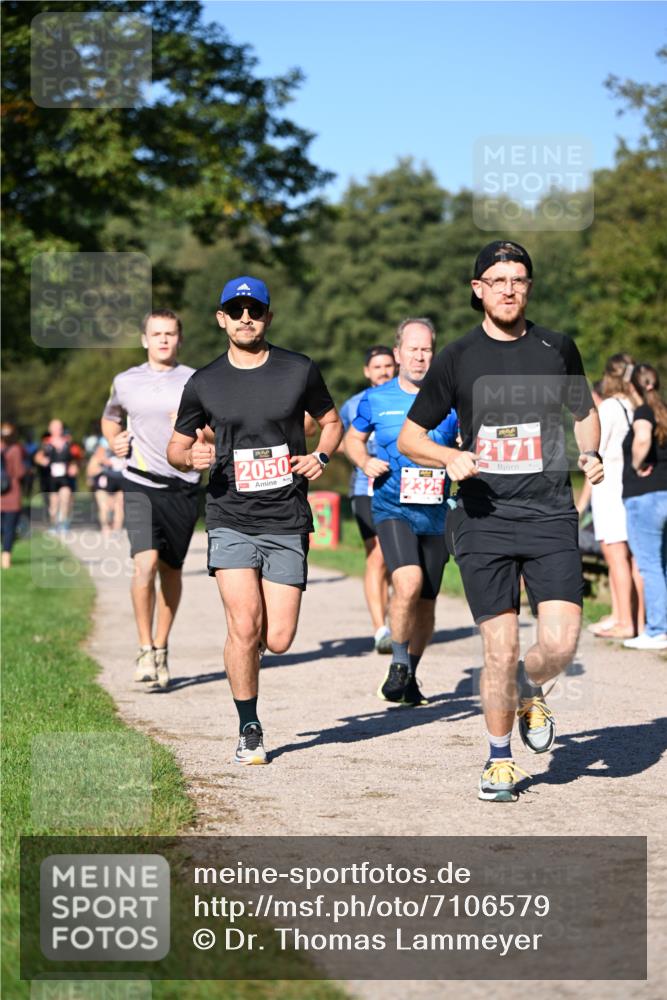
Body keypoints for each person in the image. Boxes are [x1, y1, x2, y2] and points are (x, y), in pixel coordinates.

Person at [398, 240, 604, 803]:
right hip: (483, 517)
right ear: (478, 289)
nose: (509, 288)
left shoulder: (557, 347)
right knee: (500, 646)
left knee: (560, 643)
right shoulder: (457, 358)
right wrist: (448, 457)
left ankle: (527, 689)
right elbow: (410, 437)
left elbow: (585, 413)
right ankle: (498, 761)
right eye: (498, 279)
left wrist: (590, 455)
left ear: (528, 288)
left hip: (549, 514)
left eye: (519, 279)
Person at [167, 275, 343, 765]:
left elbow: (331, 422)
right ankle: (249, 724)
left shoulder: (299, 370)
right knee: (243, 626)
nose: (246, 318)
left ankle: (251, 655)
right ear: (222, 318)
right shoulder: (203, 382)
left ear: (269, 316)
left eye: (255, 309)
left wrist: (322, 458)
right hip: (229, 515)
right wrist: (192, 458)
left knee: (278, 639)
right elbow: (176, 447)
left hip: (287, 516)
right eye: (236, 310)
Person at [345, 318, 458, 707]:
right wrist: (364, 461)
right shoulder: (376, 399)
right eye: (412, 349)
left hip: (436, 513)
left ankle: (409, 672)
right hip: (392, 506)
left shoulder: (451, 399)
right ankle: (396, 664)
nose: (420, 356)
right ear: (398, 354)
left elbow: (466, 441)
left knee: (426, 603)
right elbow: (352, 440)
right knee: (406, 582)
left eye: (426, 349)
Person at [101, 309, 200, 690]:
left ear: (179, 339)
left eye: (170, 334)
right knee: (144, 565)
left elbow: (212, 433)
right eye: (156, 333)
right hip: (139, 482)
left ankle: (161, 647)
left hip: (183, 485)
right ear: (144, 339)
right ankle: (143, 648)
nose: (163, 339)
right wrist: (114, 439)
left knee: (171, 571)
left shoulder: (196, 380)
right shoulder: (125, 381)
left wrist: (194, 430)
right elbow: (111, 417)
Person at [339, 345, 397, 653]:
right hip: (366, 487)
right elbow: (338, 443)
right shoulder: (353, 405)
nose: (384, 371)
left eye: (388, 365)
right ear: (367, 371)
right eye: (377, 367)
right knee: (377, 554)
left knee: (396, 560)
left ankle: (399, 619)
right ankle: (381, 629)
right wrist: (361, 455)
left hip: (404, 487)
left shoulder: (407, 399)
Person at [589, 354, 643, 639]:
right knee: (636, 558)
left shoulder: (609, 407)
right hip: (633, 486)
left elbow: (596, 446)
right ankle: (635, 619)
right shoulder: (639, 405)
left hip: (609, 487)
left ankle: (625, 621)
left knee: (616, 555)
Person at [621, 363, 667, 651]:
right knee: (662, 565)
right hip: (664, 494)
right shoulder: (664, 412)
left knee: (649, 565)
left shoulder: (643, 413)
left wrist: (637, 465)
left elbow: (642, 438)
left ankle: (658, 630)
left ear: (633, 388)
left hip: (645, 498)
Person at [34, 420, 81, 533]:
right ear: (50, 429)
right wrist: (42, 460)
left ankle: (63, 524)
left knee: (65, 498)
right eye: (54, 427)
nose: (57, 430)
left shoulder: (68, 443)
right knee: (54, 503)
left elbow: (77, 458)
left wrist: (74, 467)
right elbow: (37, 457)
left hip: (65, 477)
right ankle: (54, 524)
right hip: (51, 478)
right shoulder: (46, 443)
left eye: (59, 427)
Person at [86, 438, 125, 536]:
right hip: (103, 487)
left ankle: (117, 528)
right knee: (104, 507)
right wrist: (104, 466)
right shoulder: (98, 456)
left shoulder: (124, 452)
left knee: (119, 506)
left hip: (119, 485)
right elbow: (90, 471)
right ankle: (105, 527)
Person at [1, 423, 26, 569]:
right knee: (10, 528)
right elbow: (19, 472)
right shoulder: (15, 450)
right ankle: (5, 559)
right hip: (12, 494)